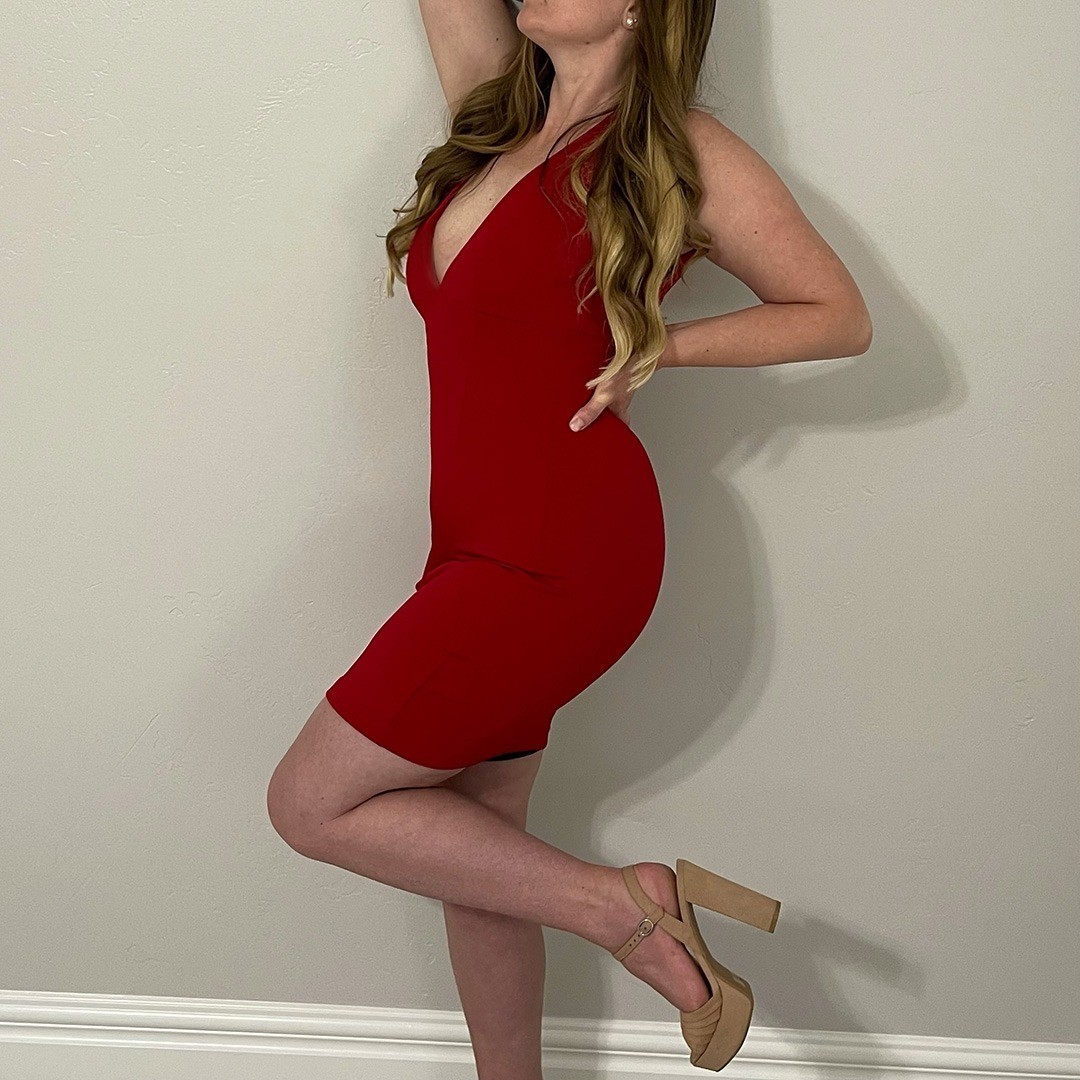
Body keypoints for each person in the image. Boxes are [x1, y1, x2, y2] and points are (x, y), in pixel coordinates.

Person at [267, 0, 872, 1073]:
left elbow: (836, 312)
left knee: (309, 805)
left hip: (562, 551)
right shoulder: (499, 113)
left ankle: (625, 907)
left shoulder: (678, 150)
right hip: (472, 541)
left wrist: (660, 348)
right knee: (477, 851)